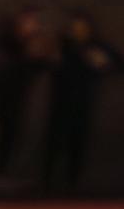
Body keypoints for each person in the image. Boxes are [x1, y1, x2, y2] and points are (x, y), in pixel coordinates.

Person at [43, 11, 119, 195]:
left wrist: (100, 61)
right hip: (61, 100)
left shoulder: (95, 47)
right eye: (75, 28)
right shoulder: (63, 45)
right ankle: (46, 181)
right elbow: (49, 63)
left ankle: (72, 182)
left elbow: (114, 62)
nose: (78, 31)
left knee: (77, 142)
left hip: (83, 100)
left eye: (82, 27)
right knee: (55, 141)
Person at [0, 5, 51, 185]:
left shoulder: (28, 43)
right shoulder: (7, 41)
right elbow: (9, 64)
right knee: (7, 131)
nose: (33, 25)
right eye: (29, 20)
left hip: (18, 93)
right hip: (2, 91)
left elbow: (36, 65)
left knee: (14, 132)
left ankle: (5, 172)